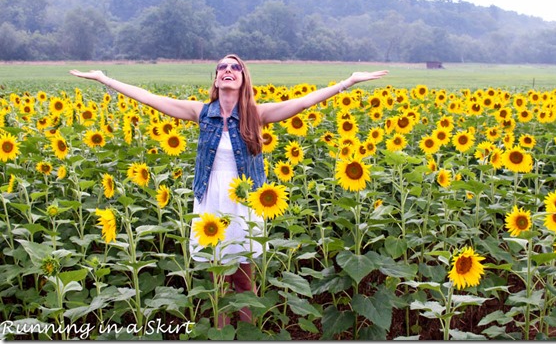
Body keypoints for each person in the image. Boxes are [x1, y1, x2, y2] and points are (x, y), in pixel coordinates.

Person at [70, 54, 388, 327]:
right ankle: (221, 331)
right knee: (217, 276)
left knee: (243, 278)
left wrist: (347, 82)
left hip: (243, 201)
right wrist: (104, 79)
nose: (227, 70)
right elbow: (152, 99)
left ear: (242, 78)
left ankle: (247, 331)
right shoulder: (202, 112)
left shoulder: (255, 114)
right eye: (222, 67)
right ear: (216, 79)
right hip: (211, 198)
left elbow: (302, 103)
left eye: (234, 67)